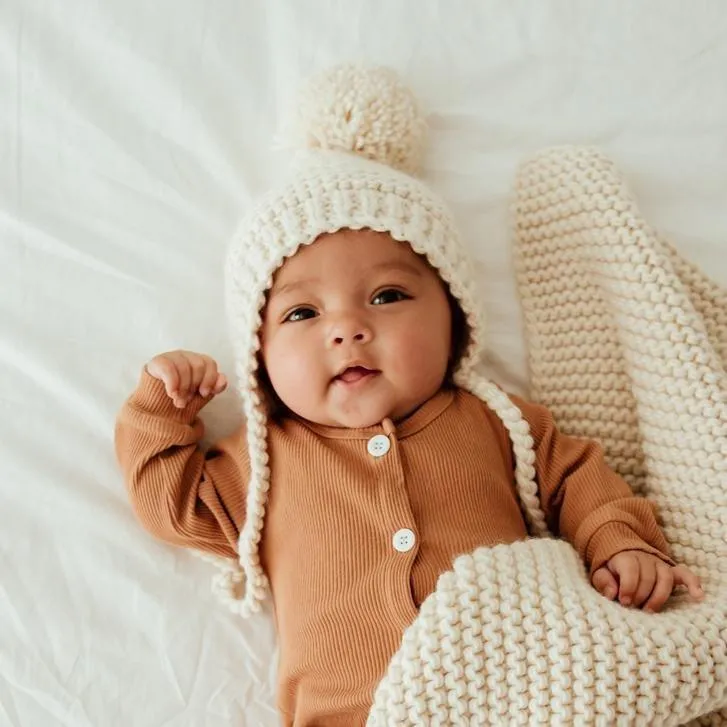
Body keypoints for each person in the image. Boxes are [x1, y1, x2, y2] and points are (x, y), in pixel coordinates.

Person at [115, 65, 703, 726]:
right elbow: (173, 504)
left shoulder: (496, 421)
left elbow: (581, 480)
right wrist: (160, 411)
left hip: (528, 692)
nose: (347, 328)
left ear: (453, 316)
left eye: (387, 296)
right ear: (258, 354)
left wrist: (619, 543)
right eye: (302, 314)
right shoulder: (263, 461)